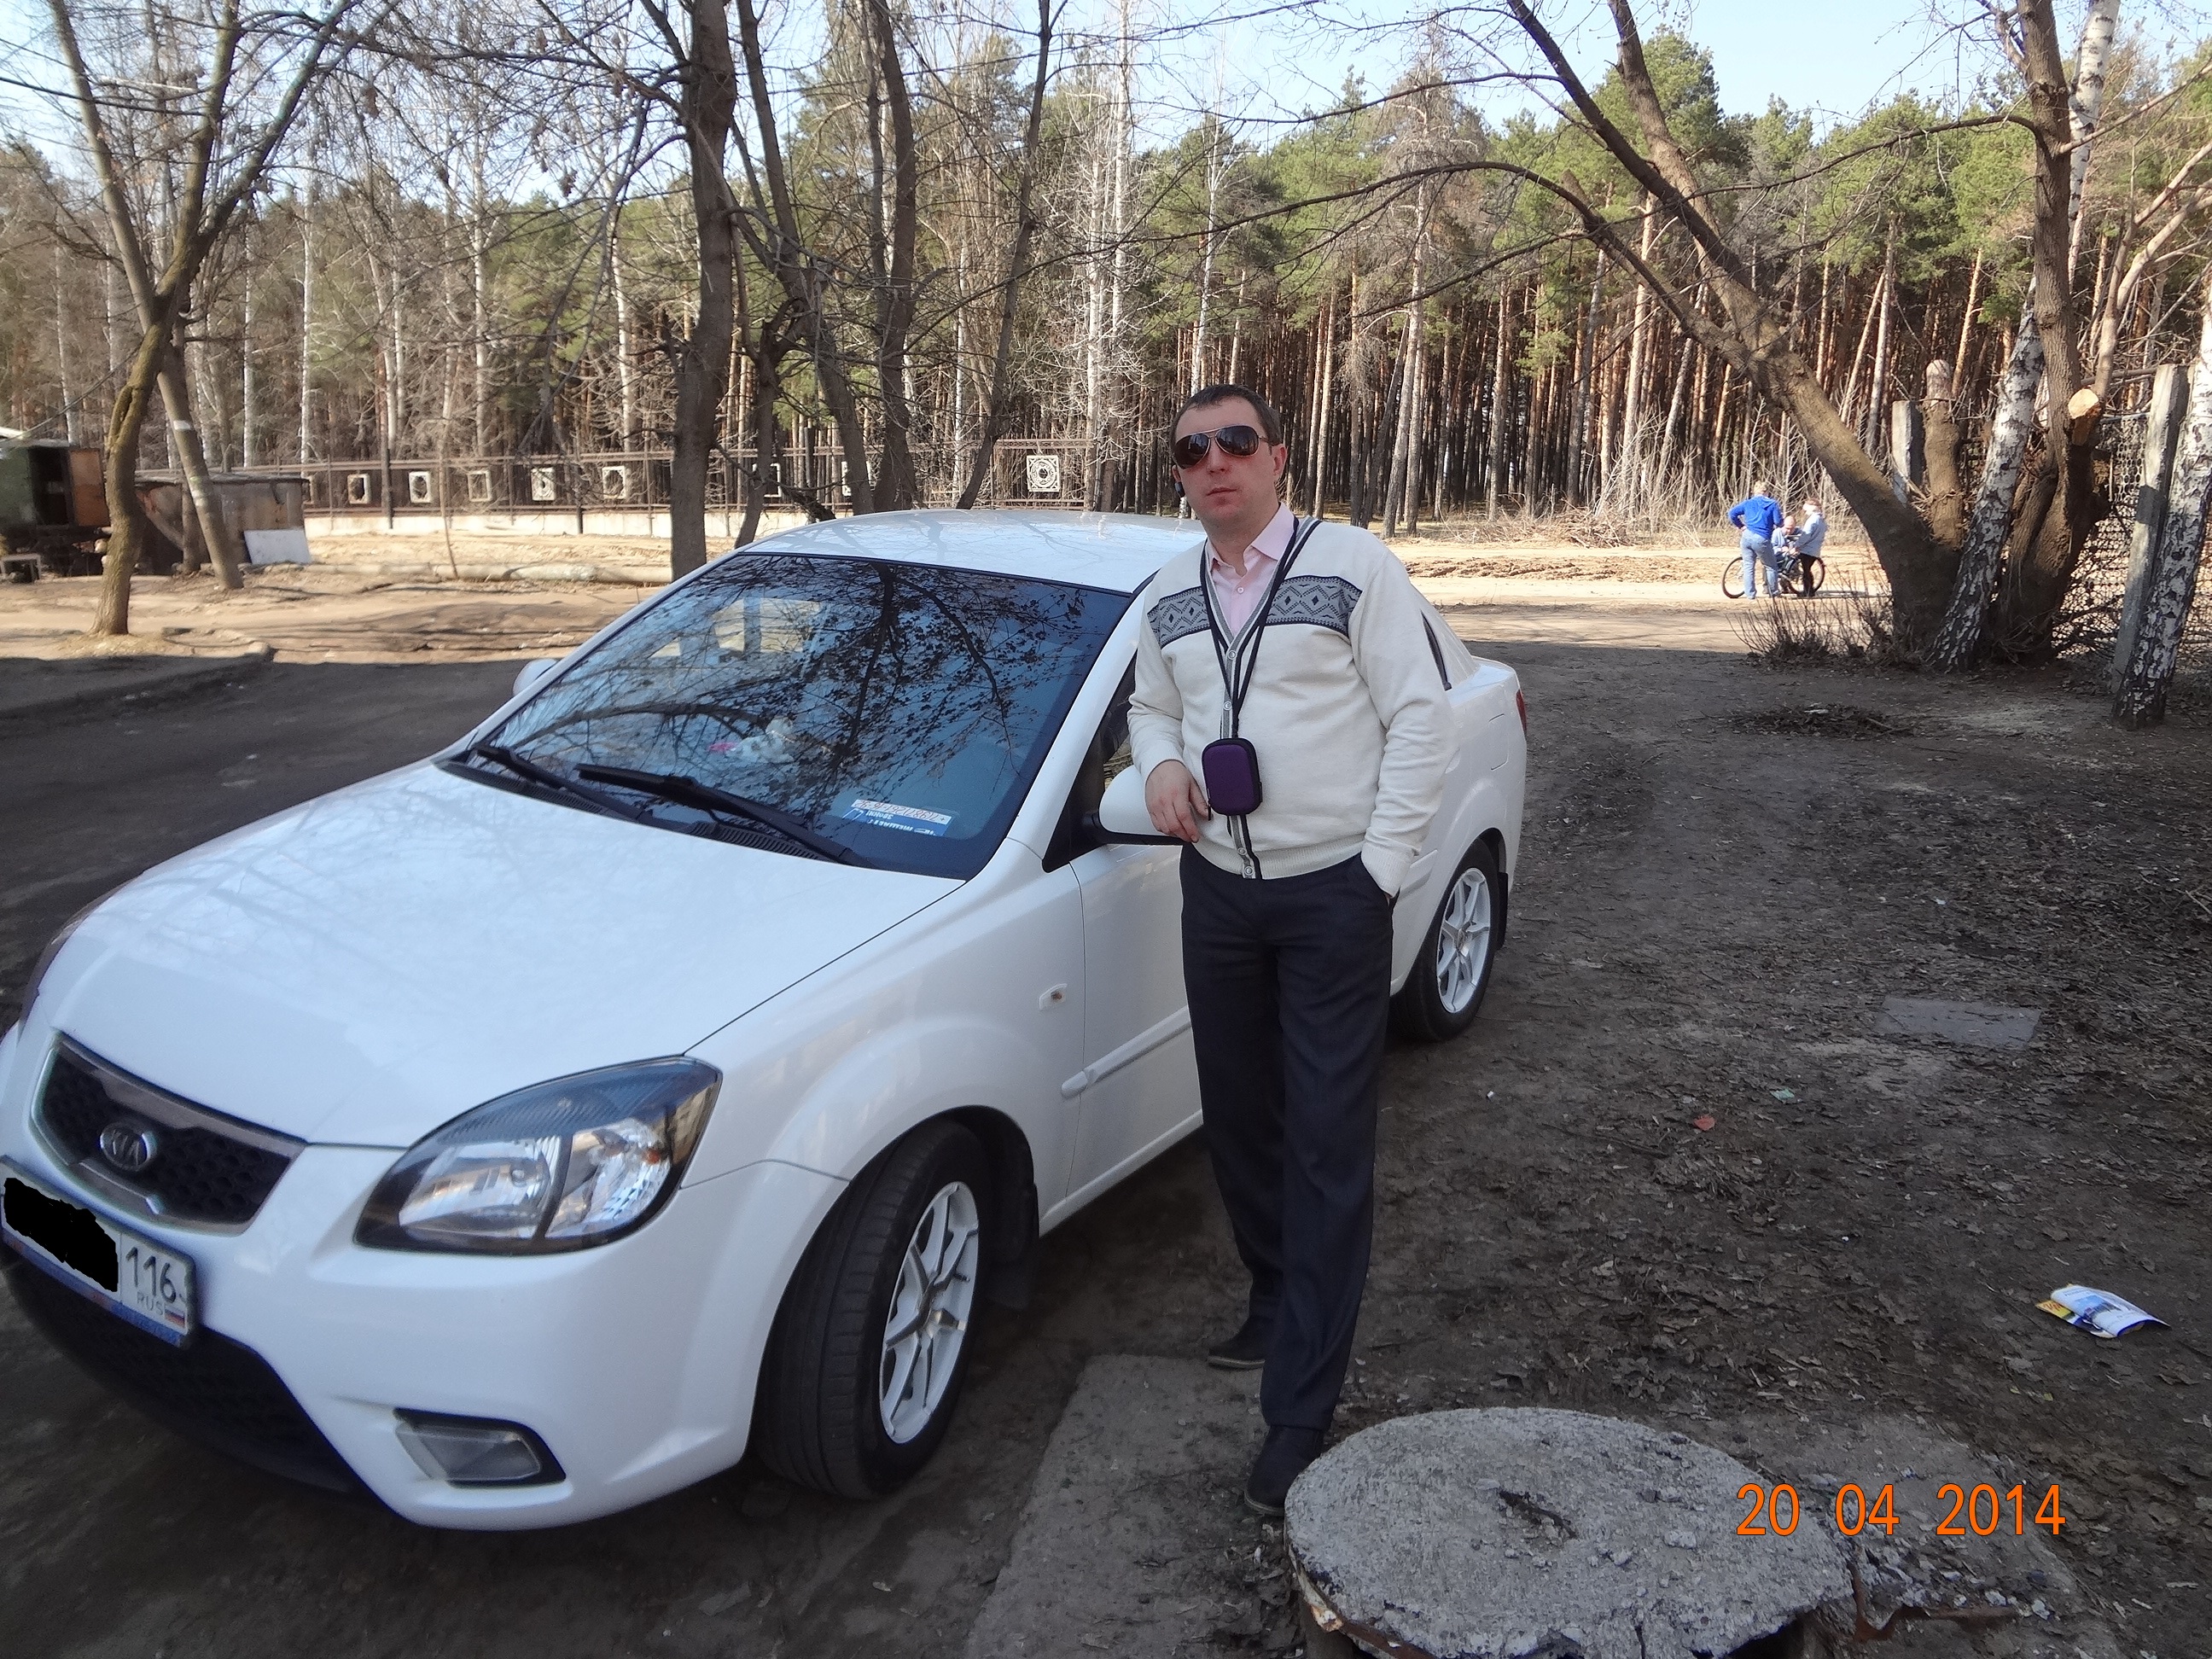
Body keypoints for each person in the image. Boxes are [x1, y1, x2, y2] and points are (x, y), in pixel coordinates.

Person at [1127, 383, 1454, 1517]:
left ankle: (1300, 1412)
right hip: (1219, 891)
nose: (1214, 463)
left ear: (1277, 457)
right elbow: (1151, 705)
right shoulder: (1169, 590)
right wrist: (1161, 765)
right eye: (1191, 450)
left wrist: (1378, 872)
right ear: (1180, 472)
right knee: (1239, 1118)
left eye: (1236, 442)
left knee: (1325, 1143)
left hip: (1332, 895)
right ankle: (1275, 1294)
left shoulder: (1354, 567)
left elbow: (1421, 716)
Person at [1726, 484, 1784, 599]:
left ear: (1754, 492)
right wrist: (1781, 522)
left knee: (1748, 566)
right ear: (1767, 492)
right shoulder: (1772, 504)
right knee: (1770, 566)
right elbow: (1778, 522)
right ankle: (1774, 592)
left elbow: (1732, 513)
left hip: (1747, 536)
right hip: (1762, 537)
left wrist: (1741, 526)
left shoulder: (1748, 503)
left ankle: (1750, 594)